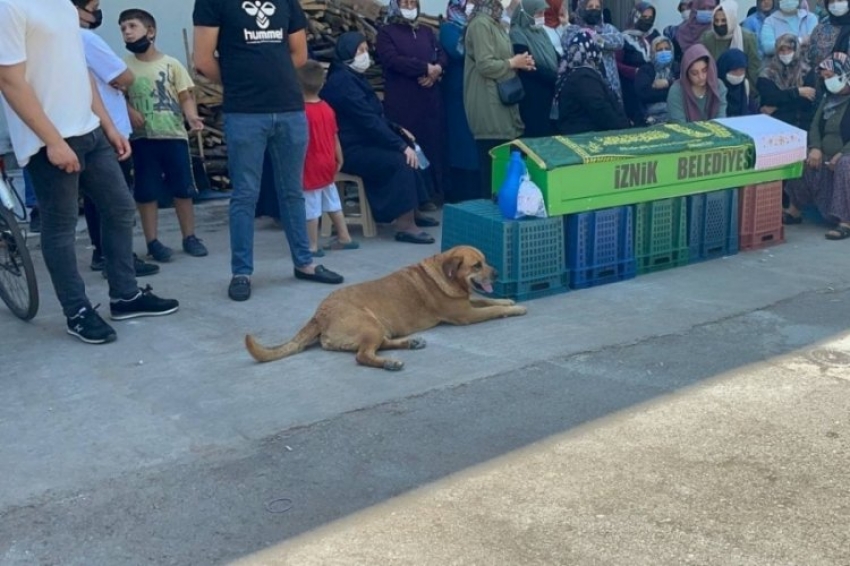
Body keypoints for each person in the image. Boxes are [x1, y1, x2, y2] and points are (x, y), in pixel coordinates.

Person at [0, 0, 179, 343]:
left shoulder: (64, 8)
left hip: (89, 130)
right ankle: (77, 311)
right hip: (49, 139)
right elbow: (9, 81)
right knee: (61, 228)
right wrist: (53, 141)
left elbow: (78, 71)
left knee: (119, 208)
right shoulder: (11, 6)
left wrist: (108, 125)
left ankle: (125, 297)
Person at [193, 0, 345, 302]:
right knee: (245, 195)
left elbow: (299, 53)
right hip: (246, 112)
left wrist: (273, 79)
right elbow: (203, 59)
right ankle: (242, 272)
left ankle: (305, 263)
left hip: (289, 109)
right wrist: (243, 80)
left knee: (293, 191)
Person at [320, 32, 439, 244]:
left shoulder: (353, 77)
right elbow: (367, 120)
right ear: (348, 52)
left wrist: (398, 130)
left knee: (410, 144)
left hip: (364, 139)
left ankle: (413, 209)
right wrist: (399, 145)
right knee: (400, 159)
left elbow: (375, 116)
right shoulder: (341, 83)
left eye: (366, 50)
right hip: (349, 149)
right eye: (361, 51)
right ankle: (404, 224)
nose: (366, 55)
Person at [72, 0, 159, 277]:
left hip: (92, 124)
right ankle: (119, 259)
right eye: (93, 5)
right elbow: (126, 75)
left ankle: (102, 252)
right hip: (111, 129)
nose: (96, 12)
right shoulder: (86, 38)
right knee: (116, 202)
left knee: (97, 198)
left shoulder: (63, 40)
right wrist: (121, 80)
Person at [119, 9, 208, 264]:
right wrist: (129, 110)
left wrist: (191, 117)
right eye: (123, 28)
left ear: (150, 31)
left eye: (132, 26)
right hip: (142, 139)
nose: (127, 32)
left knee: (182, 188)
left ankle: (189, 236)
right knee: (146, 191)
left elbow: (185, 95)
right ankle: (153, 242)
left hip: (173, 136)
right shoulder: (123, 66)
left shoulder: (171, 64)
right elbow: (117, 96)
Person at [376, 0, 448, 208]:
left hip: (430, 102)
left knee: (433, 146)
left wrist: (436, 70)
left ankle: (434, 194)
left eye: (412, 2)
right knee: (411, 150)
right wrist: (424, 68)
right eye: (404, 2)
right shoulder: (386, 32)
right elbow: (392, 60)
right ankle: (415, 200)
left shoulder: (425, 31)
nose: (409, 7)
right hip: (403, 104)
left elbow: (442, 54)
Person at [463, 0, 529, 199]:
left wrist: (521, 62)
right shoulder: (480, 24)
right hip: (488, 103)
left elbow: (501, 58)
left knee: (505, 167)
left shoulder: (495, 23)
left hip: (503, 101)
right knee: (492, 168)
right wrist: (512, 62)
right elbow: (485, 64)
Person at [783, 51, 850, 239]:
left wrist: (842, 153)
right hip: (826, 153)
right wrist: (815, 147)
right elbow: (814, 125)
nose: (827, 81)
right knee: (801, 156)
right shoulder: (828, 99)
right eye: (824, 78)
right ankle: (794, 210)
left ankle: (845, 221)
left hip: (845, 155)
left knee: (846, 165)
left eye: (831, 77)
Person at [296, 61, 358, 257]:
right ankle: (344, 236)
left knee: (311, 206)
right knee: (332, 200)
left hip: (309, 164)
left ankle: (312, 245)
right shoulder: (328, 109)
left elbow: (299, 142)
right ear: (322, 84)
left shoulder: (300, 113)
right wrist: (339, 158)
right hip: (328, 161)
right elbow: (334, 136)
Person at [439, 0, 481, 203]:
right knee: (461, 142)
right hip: (457, 92)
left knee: (474, 141)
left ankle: (475, 190)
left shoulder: (479, 26)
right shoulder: (448, 29)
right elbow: (461, 52)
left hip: (476, 90)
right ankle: (459, 193)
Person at [553, 31, 630, 133]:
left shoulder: (573, 72)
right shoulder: (584, 76)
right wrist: (622, 126)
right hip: (586, 134)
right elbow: (599, 108)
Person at [562, 0, 625, 107]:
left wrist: (593, 37)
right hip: (586, 84)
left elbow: (619, 42)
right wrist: (596, 39)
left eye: (597, 7)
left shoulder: (608, 28)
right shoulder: (572, 30)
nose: (594, 10)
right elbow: (569, 44)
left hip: (610, 83)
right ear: (582, 8)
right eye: (590, 6)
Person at [510, 0, 560, 137]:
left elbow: (554, 54)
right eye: (538, 13)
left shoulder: (541, 32)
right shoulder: (517, 33)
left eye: (543, 13)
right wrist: (554, 77)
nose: (541, 16)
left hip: (549, 91)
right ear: (527, 12)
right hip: (532, 93)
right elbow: (528, 64)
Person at [700, 0, 762, 97]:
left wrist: (750, 94)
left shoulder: (747, 38)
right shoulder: (707, 38)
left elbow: (753, 69)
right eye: (716, 21)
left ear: (731, 20)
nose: (719, 24)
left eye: (724, 20)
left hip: (742, 90)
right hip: (715, 91)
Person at [757, 33, 817, 127]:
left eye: (789, 49)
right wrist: (797, 92)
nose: (785, 54)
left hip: (800, 122)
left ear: (796, 50)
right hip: (772, 123)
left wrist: (777, 107)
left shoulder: (806, 71)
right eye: (781, 50)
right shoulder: (767, 73)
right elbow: (769, 98)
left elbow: (806, 101)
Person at [617, 1, 659, 124]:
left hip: (652, 87)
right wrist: (635, 72)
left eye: (650, 18)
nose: (647, 21)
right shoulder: (623, 39)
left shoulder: (654, 36)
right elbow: (617, 64)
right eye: (644, 17)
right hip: (631, 89)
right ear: (635, 16)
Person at [667, 43, 728, 121]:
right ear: (686, 73)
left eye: (705, 71)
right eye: (694, 73)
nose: (701, 77)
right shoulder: (676, 91)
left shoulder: (718, 86)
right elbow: (679, 126)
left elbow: (721, 121)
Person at [635, 36, 679, 124]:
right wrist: (671, 90)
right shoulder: (646, 69)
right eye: (659, 50)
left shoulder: (677, 68)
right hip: (651, 117)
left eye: (667, 49)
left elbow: (682, 90)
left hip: (675, 113)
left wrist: (667, 83)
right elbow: (644, 94)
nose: (664, 52)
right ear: (653, 52)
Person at [809, 0, 850, 72]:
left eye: (840, 0)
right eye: (831, 1)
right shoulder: (824, 24)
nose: (835, 4)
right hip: (822, 76)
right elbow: (812, 54)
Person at [717, 48, 757, 115]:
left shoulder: (745, 86)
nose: (738, 75)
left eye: (742, 70)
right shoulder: (716, 87)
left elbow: (752, 110)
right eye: (734, 70)